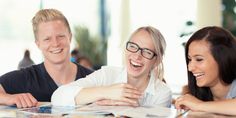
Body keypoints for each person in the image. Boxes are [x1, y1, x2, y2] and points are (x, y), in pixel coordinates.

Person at [51, 26, 172, 108]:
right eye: (133, 46)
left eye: (147, 52)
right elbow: (57, 97)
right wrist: (107, 92)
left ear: (156, 61)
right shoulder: (107, 74)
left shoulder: (162, 92)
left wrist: (129, 107)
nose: (137, 56)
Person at [0, 9, 93, 108]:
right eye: (47, 39)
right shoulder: (26, 78)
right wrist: (9, 98)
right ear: (38, 44)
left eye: (60, 36)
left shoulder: (92, 79)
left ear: (69, 38)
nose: (55, 43)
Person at [175, 26, 236, 115]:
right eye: (190, 59)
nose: (190, 68)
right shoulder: (193, 93)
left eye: (199, 59)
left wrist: (199, 105)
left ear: (222, 59)